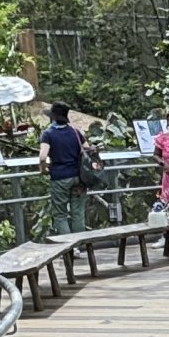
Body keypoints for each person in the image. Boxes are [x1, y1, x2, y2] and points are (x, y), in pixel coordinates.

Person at [37, 102, 96, 238]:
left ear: (53, 117)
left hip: (60, 178)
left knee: (60, 214)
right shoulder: (76, 132)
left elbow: (42, 157)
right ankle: (79, 244)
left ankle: (69, 247)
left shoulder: (48, 134)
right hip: (79, 177)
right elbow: (87, 151)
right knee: (78, 213)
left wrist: (43, 169)